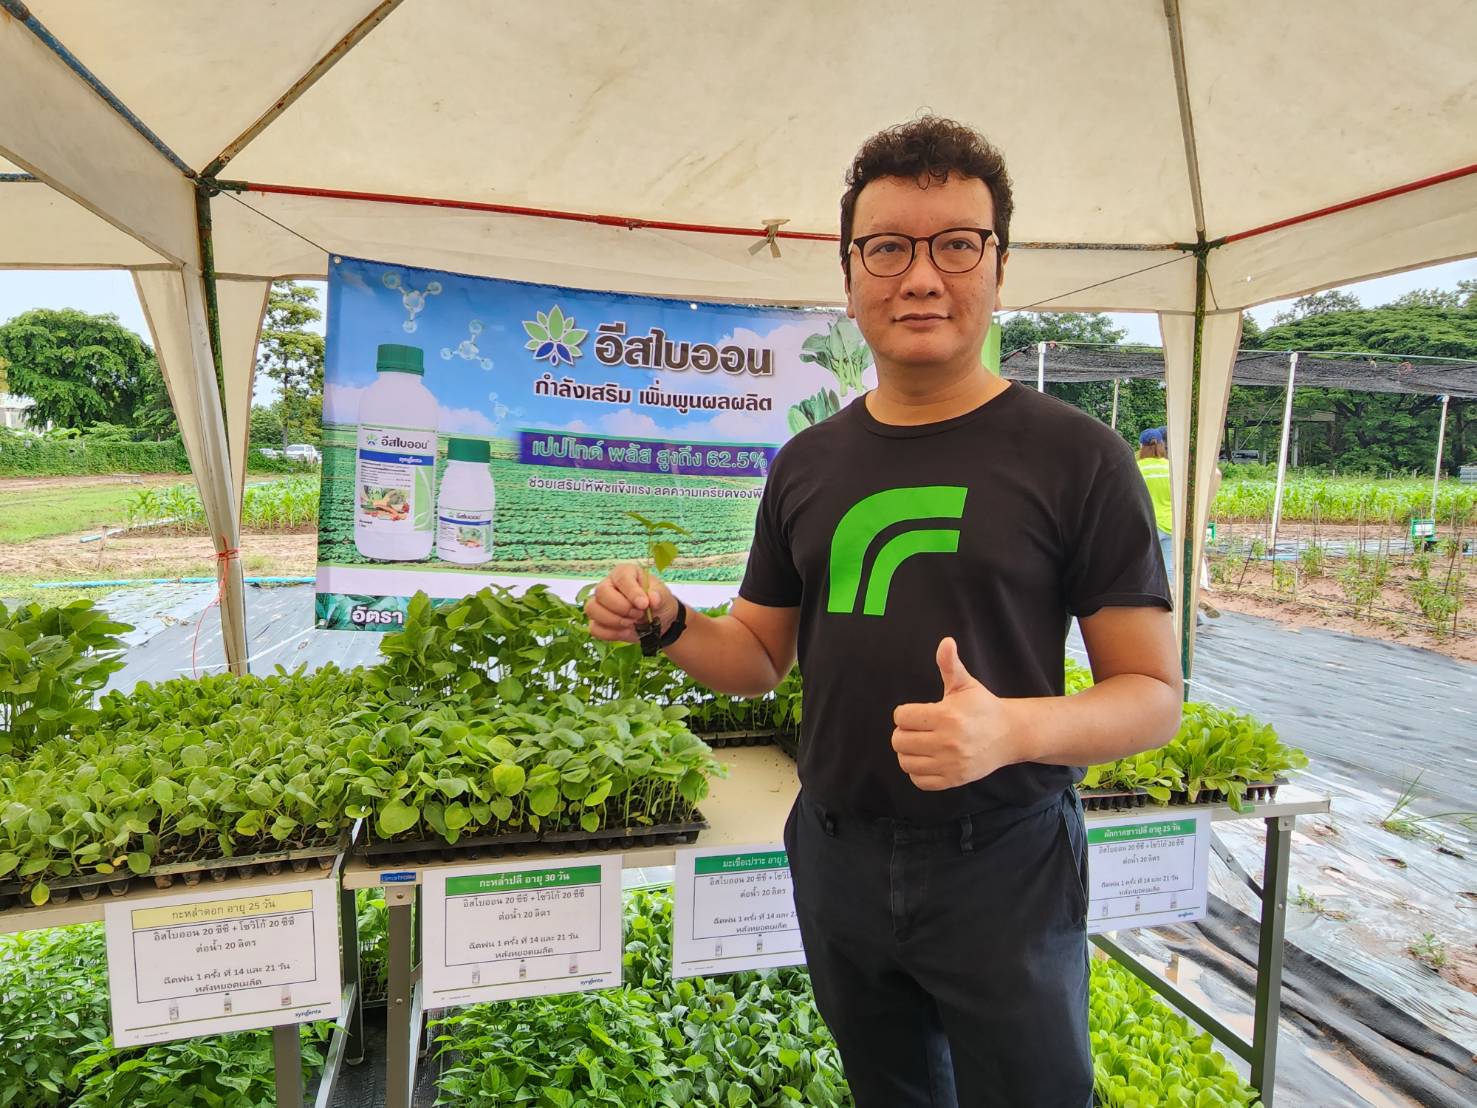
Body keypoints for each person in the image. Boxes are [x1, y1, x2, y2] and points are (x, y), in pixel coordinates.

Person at [586, 116, 1182, 1108]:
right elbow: (758, 655)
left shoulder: (1077, 458)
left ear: (999, 266)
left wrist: (1010, 730)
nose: (921, 278)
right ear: (850, 272)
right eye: (888, 247)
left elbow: (1152, 694)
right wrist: (669, 621)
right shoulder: (807, 463)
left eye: (957, 245)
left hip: (1002, 859)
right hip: (837, 852)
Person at [1136, 427, 1175, 581]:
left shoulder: (1136, 468)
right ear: (1161, 445)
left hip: (1147, 524)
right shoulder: (1170, 468)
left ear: (1141, 446)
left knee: (1144, 569)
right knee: (1169, 569)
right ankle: (1172, 595)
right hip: (1170, 525)